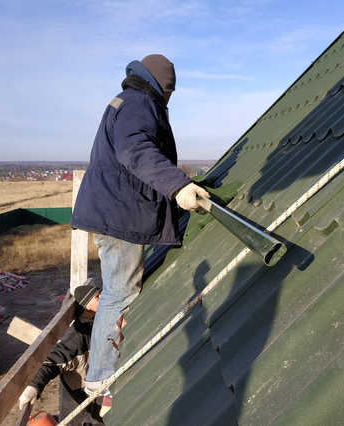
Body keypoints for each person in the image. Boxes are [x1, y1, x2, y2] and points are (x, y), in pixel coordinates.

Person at [70, 54, 209, 396]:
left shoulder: (129, 99)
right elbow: (135, 150)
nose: (170, 97)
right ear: (163, 85)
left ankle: (102, 366)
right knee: (120, 292)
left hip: (114, 211)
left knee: (119, 288)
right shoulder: (139, 102)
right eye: (170, 90)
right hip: (119, 216)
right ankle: (100, 376)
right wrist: (176, 186)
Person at [18, 283, 104, 421]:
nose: (103, 298)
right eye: (98, 297)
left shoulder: (99, 321)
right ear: (87, 306)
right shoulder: (76, 338)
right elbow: (51, 362)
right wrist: (33, 387)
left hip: (99, 392)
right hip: (78, 397)